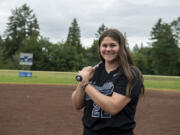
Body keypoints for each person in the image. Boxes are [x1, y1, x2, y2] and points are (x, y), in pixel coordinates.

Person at [72, 29, 145, 135]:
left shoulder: (130, 74)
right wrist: (82, 81)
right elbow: (77, 105)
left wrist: (85, 84)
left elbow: (113, 107)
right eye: (104, 46)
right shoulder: (94, 71)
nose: (108, 49)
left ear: (121, 47)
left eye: (112, 45)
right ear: (100, 48)